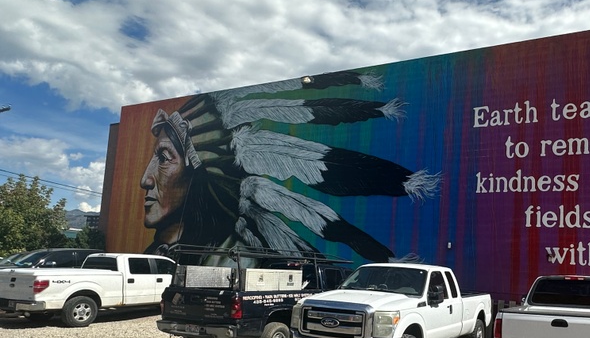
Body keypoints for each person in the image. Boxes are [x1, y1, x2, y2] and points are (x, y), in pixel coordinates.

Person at [138, 70, 441, 263]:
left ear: (199, 173)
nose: (144, 180)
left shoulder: (235, 260)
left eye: (164, 158)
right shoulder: (161, 254)